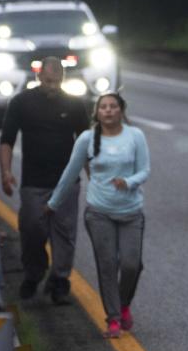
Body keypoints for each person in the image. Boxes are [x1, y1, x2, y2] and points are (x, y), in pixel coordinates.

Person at [47, 93, 150, 338]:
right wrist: (53, 203)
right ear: (97, 112)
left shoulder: (135, 136)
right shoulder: (87, 138)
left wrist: (129, 181)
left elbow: (144, 170)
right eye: (103, 107)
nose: (108, 111)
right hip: (98, 212)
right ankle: (113, 318)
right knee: (107, 265)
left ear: (121, 110)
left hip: (131, 212)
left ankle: (123, 304)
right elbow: (71, 172)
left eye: (113, 106)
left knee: (131, 264)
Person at [0, 56, 90, 303]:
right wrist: (6, 172)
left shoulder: (74, 105)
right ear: (39, 77)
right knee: (31, 229)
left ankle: (60, 281)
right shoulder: (21, 103)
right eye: (48, 81)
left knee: (65, 233)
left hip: (66, 181)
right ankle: (34, 272)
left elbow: (86, 144)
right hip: (33, 181)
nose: (52, 86)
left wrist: (94, 180)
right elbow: (7, 140)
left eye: (57, 82)